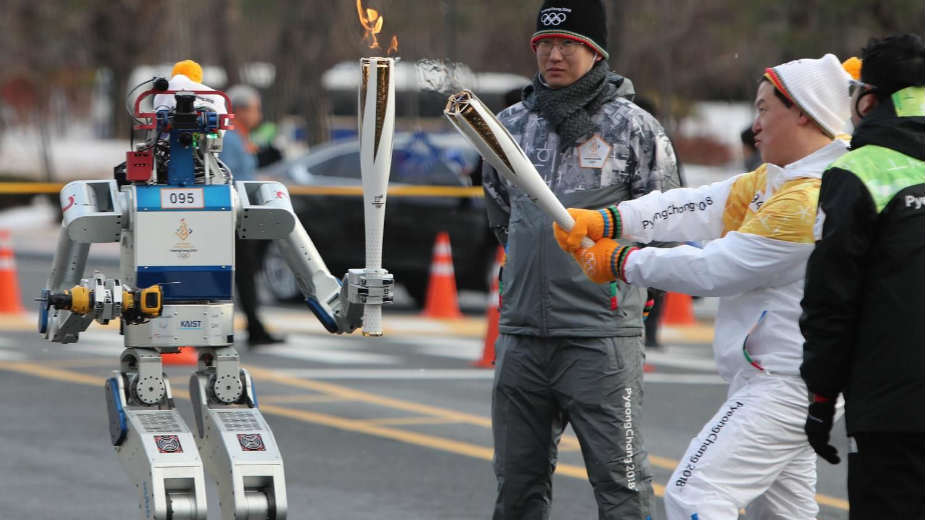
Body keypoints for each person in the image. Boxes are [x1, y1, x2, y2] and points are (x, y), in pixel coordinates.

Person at [554, 54, 852, 519]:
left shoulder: (809, 196)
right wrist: (612, 218)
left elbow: (721, 268)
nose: (754, 125)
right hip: (786, 375)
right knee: (786, 513)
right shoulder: (777, 180)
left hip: (786, 380)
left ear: (802, 112)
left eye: (763, 109)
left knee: (696, 494)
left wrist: (623, 261)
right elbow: (697, 205)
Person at [482, 1, 681, 518]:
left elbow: (664, 221)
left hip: (600, 338)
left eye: (566, 44)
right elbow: (502, 213)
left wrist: (622, 282)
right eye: (544, 44)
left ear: (594, 51)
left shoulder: (634, 127)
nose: (553, 54)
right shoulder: (509, 124)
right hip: (523, 337)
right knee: (517, 490)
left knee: (623, 486)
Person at [799, 34, 924, 519]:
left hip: (893, 409)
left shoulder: (860, 171)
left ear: (868, 100)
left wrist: (821, 394)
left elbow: (831, 297)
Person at [221, 84, 284, 347]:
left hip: (244, 213)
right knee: (242, 271)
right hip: (234, 215)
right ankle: (252, 328)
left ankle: (254, 326)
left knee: (246, 271)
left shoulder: (243, 138)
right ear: (241, 110)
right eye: (255, 109)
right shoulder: (230, 139)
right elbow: (228, 176)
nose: (258, 115)